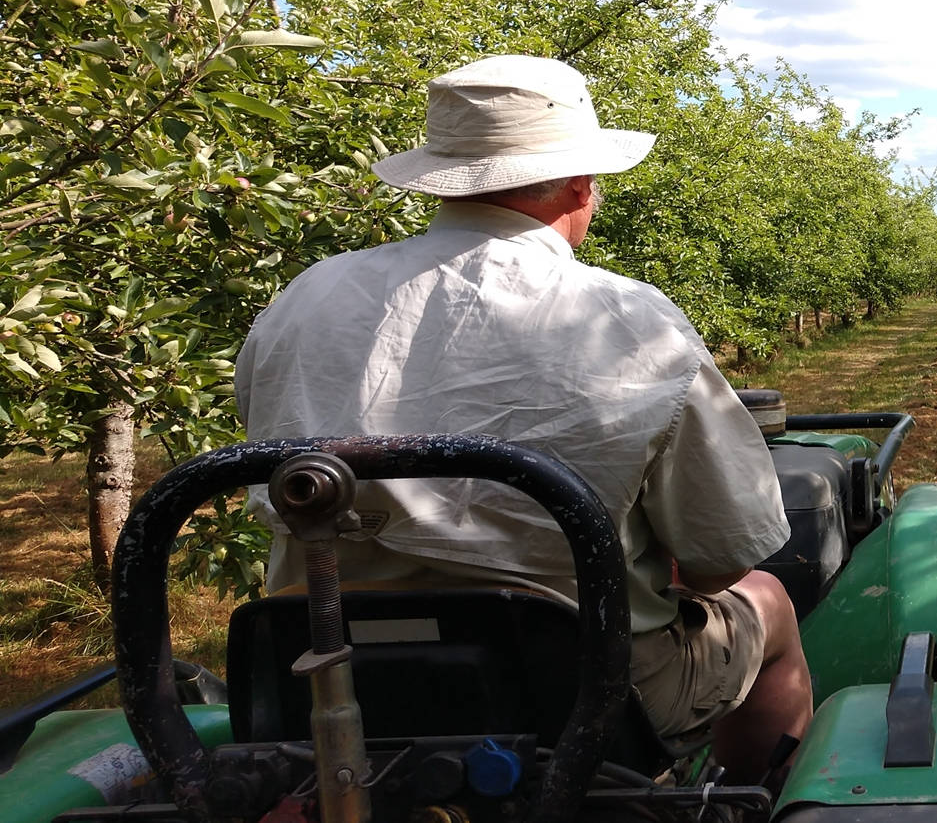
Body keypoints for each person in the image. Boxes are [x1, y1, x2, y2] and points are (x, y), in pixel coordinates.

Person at [234, 55, 811, 783]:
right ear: (580, 186)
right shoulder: (629, 320)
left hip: (324, 678)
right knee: (770, 602)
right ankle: (750, 798)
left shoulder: (305, 298)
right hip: (572, 697)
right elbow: (718, 561)